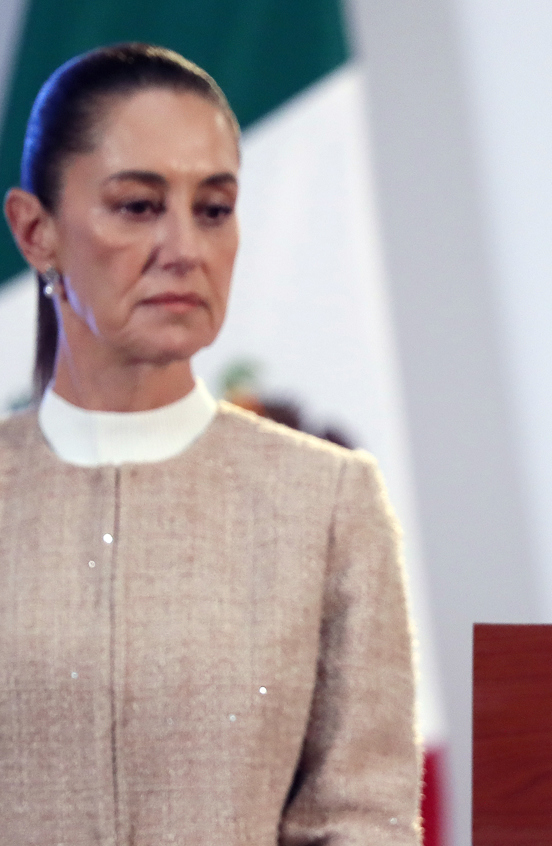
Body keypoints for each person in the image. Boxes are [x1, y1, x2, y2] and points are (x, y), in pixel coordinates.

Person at [0, 44, 420, 843]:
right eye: (136, 205)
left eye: (214, 208)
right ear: (36, 231)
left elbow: (362, 819)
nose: (185, 248)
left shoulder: (326, 503)